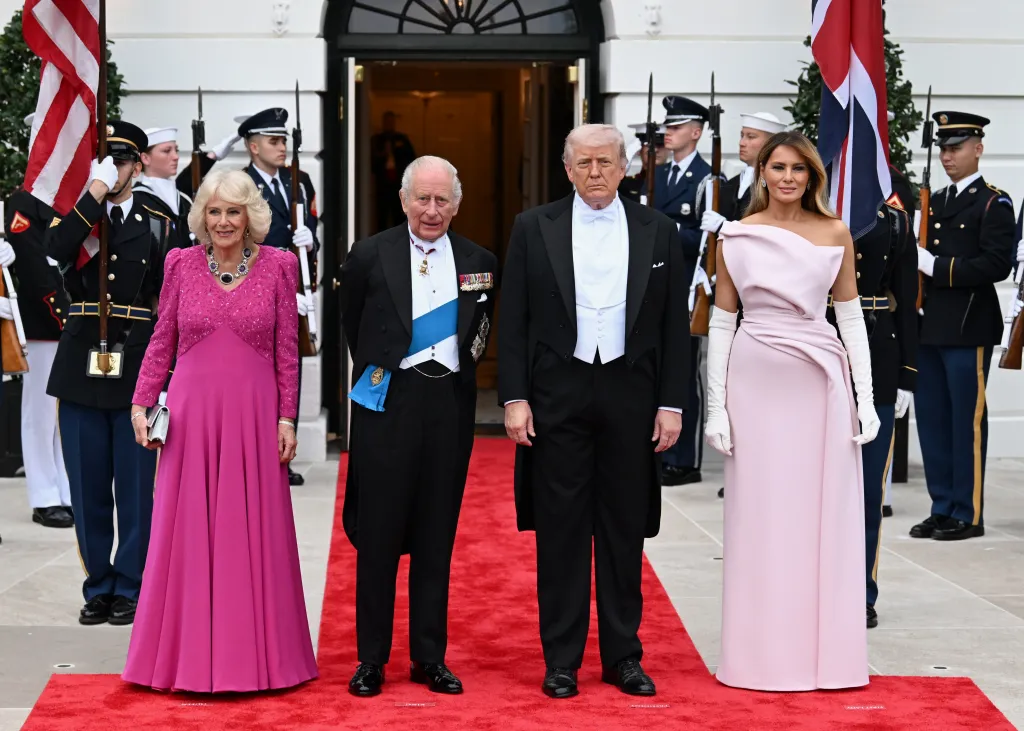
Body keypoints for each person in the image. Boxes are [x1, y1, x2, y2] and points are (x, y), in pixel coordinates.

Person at [499, 124, 689, 699]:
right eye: (583, 164)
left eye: (605, 163)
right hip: (559, 392)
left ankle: (623, 656)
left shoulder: (660, 229)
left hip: (631, 394)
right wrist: (514, 397)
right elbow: (515, 319)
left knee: (622, 528)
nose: (595, 174)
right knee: (560, 531)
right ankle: (561, 659)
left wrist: (671, 403)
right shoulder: (534, 227)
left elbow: (673, 328)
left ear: (625, 166)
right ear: (568, 169)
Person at [122, 170, 317, 693]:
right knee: (185, 530)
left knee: (251, 530)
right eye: (214, 212)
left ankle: (259, 659)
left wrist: (287, 419)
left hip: (254, 416)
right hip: (191, 416)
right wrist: (142, 403)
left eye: (233, 211)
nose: (224, 221)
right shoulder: (180, 263)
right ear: (202, 217)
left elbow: (286, 354)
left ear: (250, 216)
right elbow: (161, 338)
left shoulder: (280, 265)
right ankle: (180, 658)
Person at [705, 130, 879, 691]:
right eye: (776, 167)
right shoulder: (736, 235)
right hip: (754, 383)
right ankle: (759, 656)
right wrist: (716, 409)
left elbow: (850, 317)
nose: (786, 177)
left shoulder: (835, 232)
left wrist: (866, 398)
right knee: (761, 519)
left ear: (811, 177)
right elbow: (721, 322)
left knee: (818, 517)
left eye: (797, 169)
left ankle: (825, 656)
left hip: (819, 383)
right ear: (761, 173)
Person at [340, 155, 496, 698]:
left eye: (442, 200)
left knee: (436, 535)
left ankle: (429, 656)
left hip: (448, 405)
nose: (432, 210)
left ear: (457, 203)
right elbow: (353, 323)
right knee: (379, 536)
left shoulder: (479, 260)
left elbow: (479, 330)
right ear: (403, 199)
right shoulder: (369, 253)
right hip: (389, 404)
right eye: (422, 199)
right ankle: (371, 659)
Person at [44, 121, 170, 626]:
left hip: (137, 362)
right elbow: (54, 251)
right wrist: (92, 192)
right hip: (80, 366)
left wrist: (170, 368)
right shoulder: (79, 216)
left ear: (137, 165)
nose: (113, 169)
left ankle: (130, 584)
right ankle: (97, 584)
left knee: (137, 488)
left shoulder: (158, 218)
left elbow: (167, 295)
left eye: (121, 161)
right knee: (87, 484)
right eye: (106, 161)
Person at [912, 111, 1014, 542]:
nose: (948, 156)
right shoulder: (934, 201)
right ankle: (941, 506)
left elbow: (996, 263)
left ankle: (967, 512)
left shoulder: (993, 202)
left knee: (965, 421)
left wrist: (938, 267)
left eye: (956, 148)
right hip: (930, 326)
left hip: (968, 326)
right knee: (932, 418)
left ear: (978, 149)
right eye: (943, 149)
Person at [825, 164, 918, 630]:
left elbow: (907, 297)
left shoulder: (895, 220)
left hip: (878, 354)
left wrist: (907, 375)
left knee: (865, 488)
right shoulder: (809, 212)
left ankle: (861, 589)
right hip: (817, 350)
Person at [698, 111, 787, 499]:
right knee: (737, 391)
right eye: (742, 135)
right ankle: (741, 466)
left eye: (751, 136)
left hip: (764, 301)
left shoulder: (774, 188)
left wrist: (726, 228)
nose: (743, 142)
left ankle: (767, 468)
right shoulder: (734, 183)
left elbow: (770, 236)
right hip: (732, 295)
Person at [238, 107, 318, 487]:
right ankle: (251, 450)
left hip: (294, 292)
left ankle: (283, 450)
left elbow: (309, 229)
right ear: (253, 147)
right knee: (254, 372)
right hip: (255, 294)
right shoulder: (240, 185)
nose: (282, 147)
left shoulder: (297, 183)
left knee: (289, 370)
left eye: (284, 140)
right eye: (274, 141)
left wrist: (311, 240)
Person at [645, 95, 711, 487]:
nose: (668, 132)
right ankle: (660, 448)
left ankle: (685, 459)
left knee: (684, 372)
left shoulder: (707, 180)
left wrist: (664, 230)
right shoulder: (659, 174)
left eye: (676, 126)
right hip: (654, 283)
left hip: (687, 285)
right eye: (667, 126)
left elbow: (704, 238)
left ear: (696, 132)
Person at [4, 187, 73, 529]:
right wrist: (66, 316)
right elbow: (34, 268)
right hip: (45, 322)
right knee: (42, 414)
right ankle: (44, 496)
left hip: (79, 321)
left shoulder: (79, 193)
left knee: (69, 412)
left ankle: (66, 490)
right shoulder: (24, 202)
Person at [133, 126, 239, 251]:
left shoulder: (182, 198)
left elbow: (187, 179)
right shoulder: (136, 199)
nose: (175, 156)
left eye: (176, 150)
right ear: (145, 158)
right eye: (167, 151)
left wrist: (213, 155)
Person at [371, 111, 416, 232]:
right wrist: (382, 155)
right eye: (387, 121)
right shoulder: (377, 140)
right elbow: (370, 161)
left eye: (391, 121)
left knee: (399, 213)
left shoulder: (401, 139)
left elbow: (411, 159)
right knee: (382, 215)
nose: (389, 124)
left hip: (399, 183)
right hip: (382, 183)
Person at [618, 122, 667, 203]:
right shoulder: (628, 183)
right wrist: (625, 158)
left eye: (660, 145)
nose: (655, 150)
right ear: (638, 150)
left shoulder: (674, 182)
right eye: (649, 146)